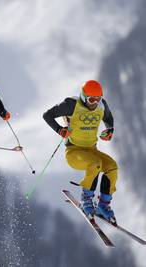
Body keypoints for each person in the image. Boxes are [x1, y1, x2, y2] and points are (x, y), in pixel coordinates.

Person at [43, 80, 117, 222]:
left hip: (91, 150)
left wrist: (109, 130)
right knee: (96, 163)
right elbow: (47, 115)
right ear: (83, 97)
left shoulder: (101, 105)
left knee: (112, 167)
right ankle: (86, 200)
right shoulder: (71, 105)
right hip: (74, 152)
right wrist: (60, 130)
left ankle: (103, 205)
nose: (94, 102)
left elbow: (108, 118)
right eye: (91, 99)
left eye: (98, 99)